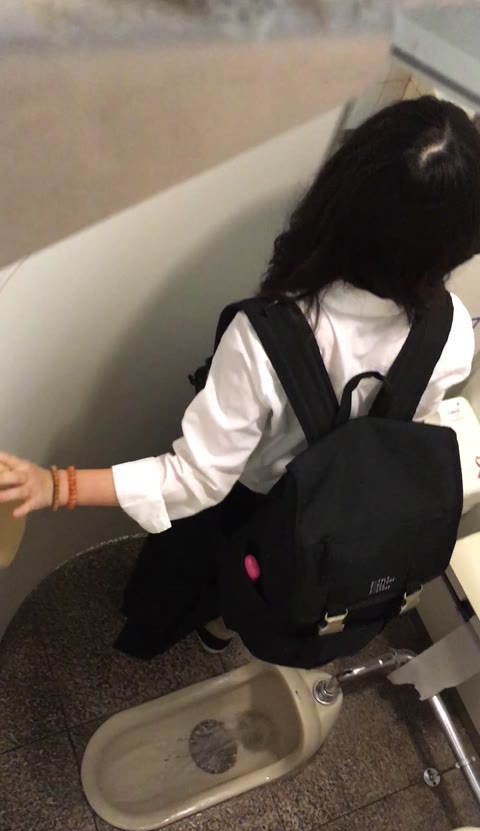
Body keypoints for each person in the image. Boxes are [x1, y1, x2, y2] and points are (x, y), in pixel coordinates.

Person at [1, 96, 480, 657]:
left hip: (247, 508)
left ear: (342, 194)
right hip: (331, 517)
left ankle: (167, 631)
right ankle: (223, 629)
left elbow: (194, 482)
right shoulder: (453, 331)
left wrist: (56, 485)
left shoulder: (268, 338)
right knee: (261, 589)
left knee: (185, 582)